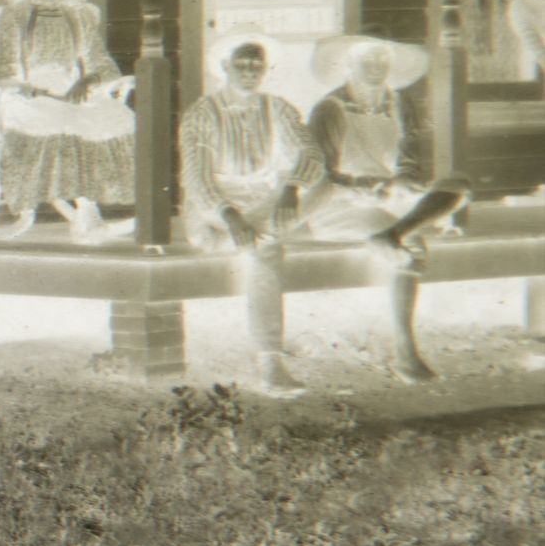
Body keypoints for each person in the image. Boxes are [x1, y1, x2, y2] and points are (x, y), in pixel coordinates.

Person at [304, 34, 472, 380]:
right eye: (368, 59)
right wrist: (366, 188)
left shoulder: (397, 103)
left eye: (382, 59)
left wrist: (405, 181)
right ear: (350, 64)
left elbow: (406, 159)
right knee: (412, 247)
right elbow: (321, 176)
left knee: (458, 185)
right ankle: (405, 352)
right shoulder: (329, 110)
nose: (376, 67)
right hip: (339, 204)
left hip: (387, 199)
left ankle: (394, 231)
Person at [178, 33, 328, 395]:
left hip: (261, 198)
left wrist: (291, 188)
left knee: (325, 184)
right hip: (215, 202)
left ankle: (235, 237)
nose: (250, 71)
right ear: (225, 67)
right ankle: (270, 360)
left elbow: (312, 152)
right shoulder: (203, 113)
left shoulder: (276, 107)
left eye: (257, 64)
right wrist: (232, 218)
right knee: (267, 249)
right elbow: (197, 178)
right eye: (242, 63)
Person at [0, 0, 135, 242]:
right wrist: (26, 87)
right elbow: (2, 67)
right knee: (68, 123)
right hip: (26, 95)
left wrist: (88, 81)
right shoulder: (15, 16)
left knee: (112, 116)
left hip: (70, 91)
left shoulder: (78, 15)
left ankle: (87, 216)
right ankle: (87, 218)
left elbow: (102, 62)